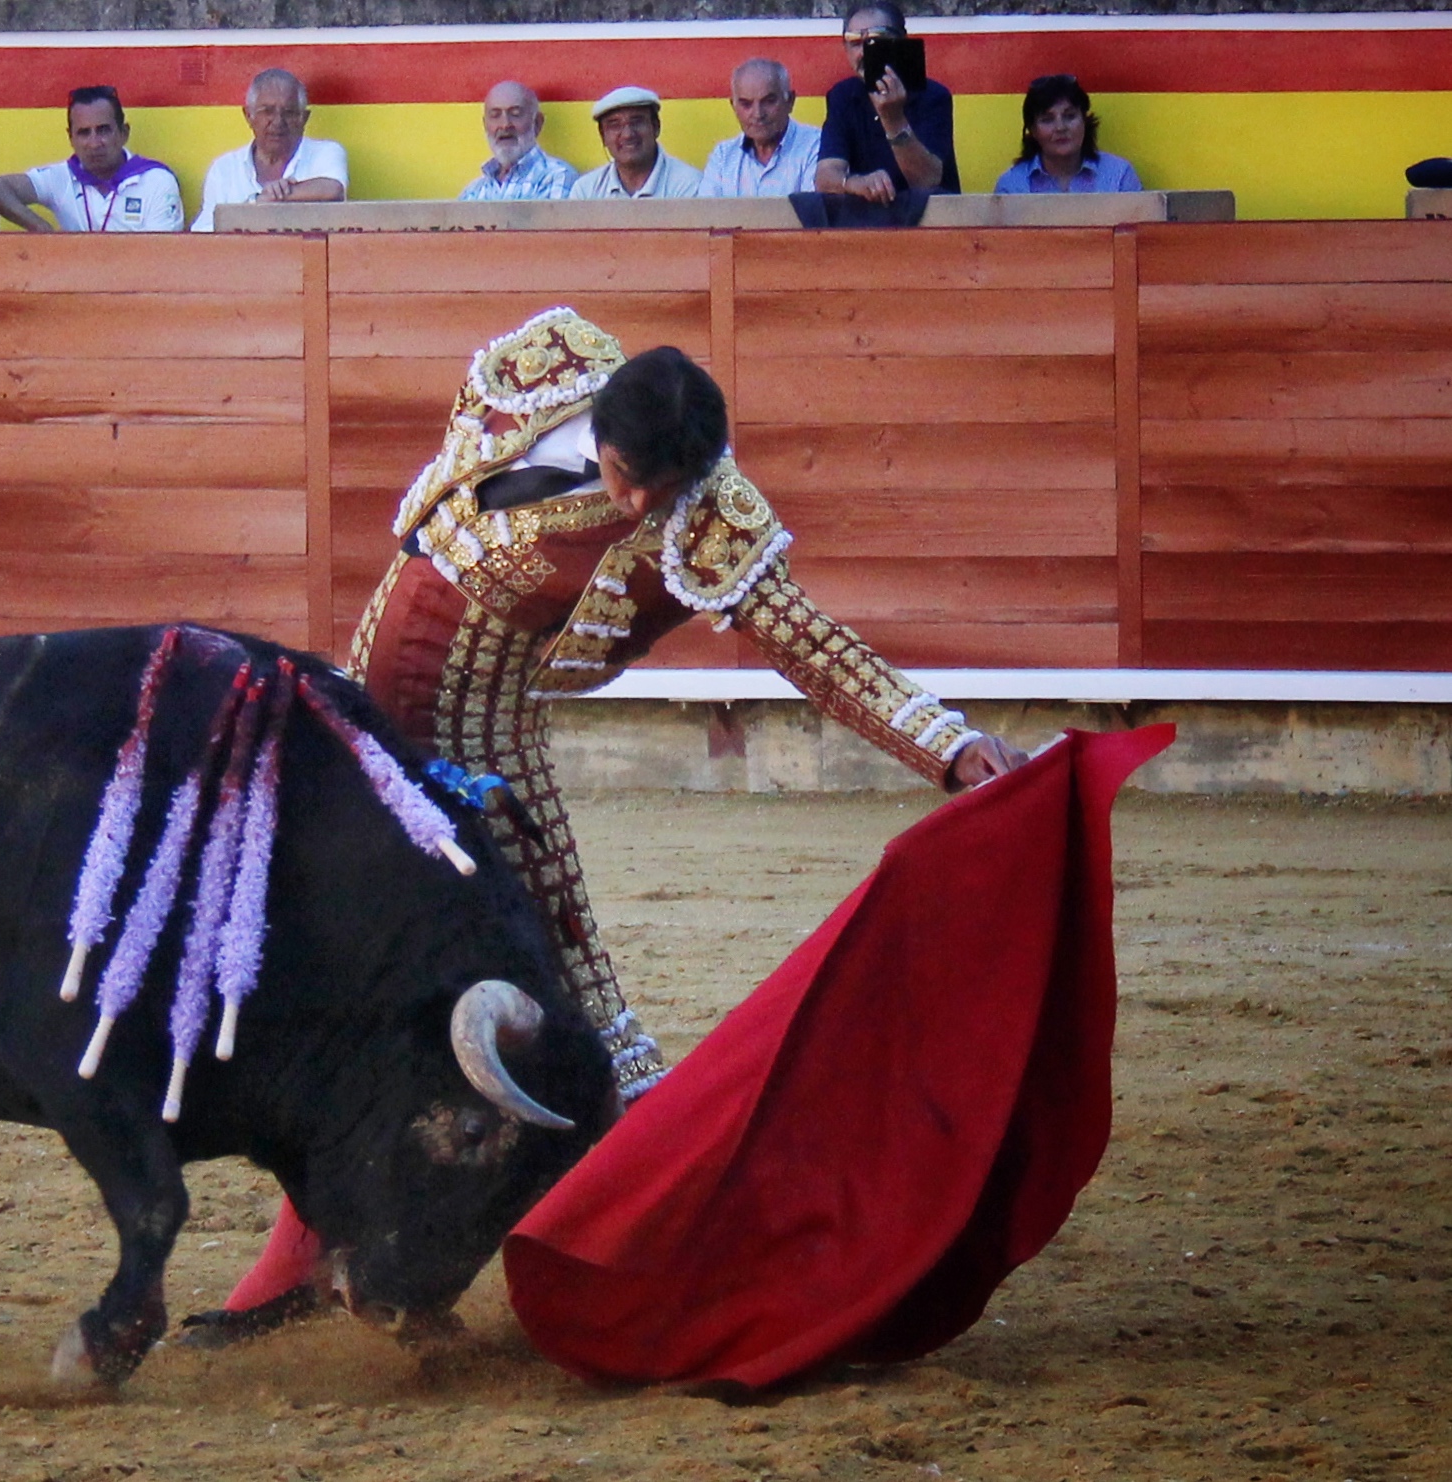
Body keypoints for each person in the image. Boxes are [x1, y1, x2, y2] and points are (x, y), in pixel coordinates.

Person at [194, 308, 1025, 1334]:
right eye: (626, 476)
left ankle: (654, 1248)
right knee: (383, 998)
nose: (633, 503)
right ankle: (325, 1268)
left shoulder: (704, 511)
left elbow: (807, 641)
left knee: (568, 990)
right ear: (599, 424)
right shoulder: (545, 369)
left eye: (657, 493)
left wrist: (940, 741)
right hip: (371, 703)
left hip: (475, 737)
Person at [0, 85, 183, 232]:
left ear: (124, 133)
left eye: (103, 130)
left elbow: (160, 258)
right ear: (70, 138)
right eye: (84, 133)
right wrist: (40, 227)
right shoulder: (61, 177)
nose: (94, 143)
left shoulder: (157, 181)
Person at [816, 0, 958, 202]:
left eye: (876, 40)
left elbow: (927, 180)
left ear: (901, 41)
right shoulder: (843, 96)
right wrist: (854, 183)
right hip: (868, 224)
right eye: (855, 43)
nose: (864, 52)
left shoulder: (933, 96)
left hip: (929, 222)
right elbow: (825, 177)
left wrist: (893, 119)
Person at [192, 69, 347, 232]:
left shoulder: (325, 152)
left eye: (288, 113)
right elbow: (204, 232)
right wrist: (258, 207)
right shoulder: (224, 169)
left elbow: (333, 189)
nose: (278, 122)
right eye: (267, 111)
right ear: (248, 116)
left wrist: (275, 197)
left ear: (304, 118)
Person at [992, 74, 1141, 194]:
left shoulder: (1119, 175)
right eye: (1047, 119)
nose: (1060, 127)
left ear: (1084, 120)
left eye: (1070, 116)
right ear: (1033, 130)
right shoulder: (1011, 186)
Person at [696, 59, 821, 197]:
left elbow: (811, 215)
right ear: (733, 106)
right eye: (746, 104)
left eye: (769, 102)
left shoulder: (816, 146)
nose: (758, 114)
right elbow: (708, 216)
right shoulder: (723, 156)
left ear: (790, 101)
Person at [570, 86, 702, 200]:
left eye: (637, 121)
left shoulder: (688, 184)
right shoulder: (585, 191)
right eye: (615, 125)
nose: (627, 134)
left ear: (656, 127)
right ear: (602, 136)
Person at [458, 81, 577, 202]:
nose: (505, 125)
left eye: (515, 114)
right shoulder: (473, 191)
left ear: (537, 123)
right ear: (485, 125)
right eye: (495, 115)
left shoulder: (557, 177)